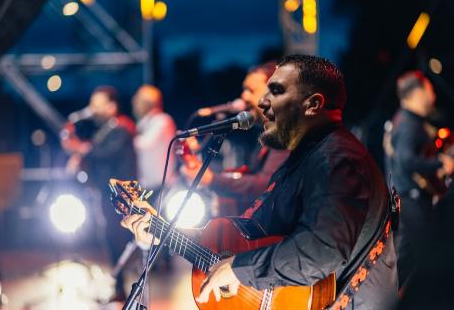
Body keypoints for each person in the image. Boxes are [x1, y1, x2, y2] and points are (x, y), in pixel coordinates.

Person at [122, 55, 398, 309]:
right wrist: (162, 230)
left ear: (313, 104)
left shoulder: (338, 159)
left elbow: (322, 250)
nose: (262, 102)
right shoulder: (305, 158)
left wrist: (240, 270)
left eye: (276, 91)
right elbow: (249, 239)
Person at [181, 62, 289, 215]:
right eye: (244, 89)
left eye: (251, 90)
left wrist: (213, 180)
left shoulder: (285, 132)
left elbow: (265, 186)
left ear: (274, 94)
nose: (244, 96)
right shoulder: (268, 133)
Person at [61, 86, 137, 300]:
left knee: (118, 237)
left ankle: (123, 287)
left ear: (112, 106)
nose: (92, 108)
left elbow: (105, 153)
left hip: (120, 195)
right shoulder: (106, 128)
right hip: (107, 193)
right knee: (111, 238)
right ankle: (119, 286)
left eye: (98, 103)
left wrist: (79, 148)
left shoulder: (122, 127)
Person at [385, 71, 454, 288]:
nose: (433, 95)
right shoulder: (408, 124)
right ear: (418, 92)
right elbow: (407, 161)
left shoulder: (403, 120)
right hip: (412, 201)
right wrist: (441, 164)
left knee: (406, 259)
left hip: (405, 200)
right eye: (430, 90)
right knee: (434, 259)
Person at [132, 85, 177, 198]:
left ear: (147, 104)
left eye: (137, 101)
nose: (134, 104)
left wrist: (122, 138)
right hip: (146, 186)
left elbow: (145, 144)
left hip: (161, 187)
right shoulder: (143, 124)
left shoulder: (162, 121)